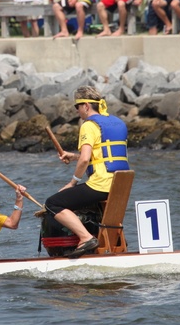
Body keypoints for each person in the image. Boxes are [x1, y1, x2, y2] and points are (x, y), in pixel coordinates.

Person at [45, 86, 129, 258]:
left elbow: (85, 159)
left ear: (86, 106)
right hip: (121, 185)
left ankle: (86, 238)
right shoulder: (118, 123)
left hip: (101, 185)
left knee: (53, 203)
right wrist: (73, 156)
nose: (77, 111)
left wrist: (72, 182)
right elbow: (103, 155)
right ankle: (114, 244)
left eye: (77, 107)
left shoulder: (89, 125)